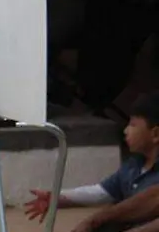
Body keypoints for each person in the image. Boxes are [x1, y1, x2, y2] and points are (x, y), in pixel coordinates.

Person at [25, 92, 159, 221]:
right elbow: (102, 192)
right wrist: (56, 197)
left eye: (133, 125)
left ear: (155, 134)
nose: (125, 130)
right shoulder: (133, 165)